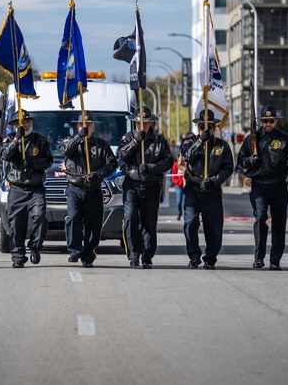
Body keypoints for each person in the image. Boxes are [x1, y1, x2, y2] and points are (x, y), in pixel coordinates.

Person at [237, 105, 288, 271]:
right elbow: (241, 161)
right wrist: (250, 160)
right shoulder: (252, 139)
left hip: (278, 185)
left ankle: (275, 259)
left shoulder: (285, 139)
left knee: (279, 223)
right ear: (261, 121)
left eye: (271, 121)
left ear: (276, 121)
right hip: (259, 185)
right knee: (260, 217)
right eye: (265, 121)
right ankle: (259, 257)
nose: (268, 124)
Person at [118, 106, 173, 268]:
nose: (142, 126)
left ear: (150, 123)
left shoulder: (159, 141)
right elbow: (121, 156)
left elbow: (169, 161)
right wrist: (135, 142)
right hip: (132, 185)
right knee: (130, 217)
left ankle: (147, 255)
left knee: (149, 221)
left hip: (151, 186)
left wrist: (150, 167)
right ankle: (134, 254)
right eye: (138, 123)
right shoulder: (127, 138)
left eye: (145, 123)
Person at [61, 111, 116, 268]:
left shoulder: (101, 145)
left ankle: (88, 255)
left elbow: (111, 163)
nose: (84, 127)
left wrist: (98, 175)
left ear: (93, 126)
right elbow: (66, 151)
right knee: (73, 218)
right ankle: (74, 251)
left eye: (87, 125)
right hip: (75, 188)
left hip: (93, 189)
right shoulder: (71, 142)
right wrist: (79, 137)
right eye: (80, 125)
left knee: (94, 225)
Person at [180, 110, 234, 270]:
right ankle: (194, 256)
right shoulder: (189, 142)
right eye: (202, 127)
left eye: (209, 127)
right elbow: (186, 157)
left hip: (212, 191)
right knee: (190, 223)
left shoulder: (222, 146)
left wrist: (212, 181)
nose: (206, 130)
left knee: (214, 227)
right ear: (198, 127)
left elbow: (228, 168)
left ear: (214, 127)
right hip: (193, 189)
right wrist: (200, 142)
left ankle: (210, 258)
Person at [0, 112, 53, 268]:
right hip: (17, 187)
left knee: (40, 216)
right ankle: (17, 256)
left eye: (28, 121)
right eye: (22, 122)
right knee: (15, 223)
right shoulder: (10, 140)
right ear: (16, 125)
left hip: (35, 187)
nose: (25, 125)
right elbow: (5, 155)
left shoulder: (40, 140)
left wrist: (33, 163)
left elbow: (49, 161)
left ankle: (35, 247)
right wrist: (16, 139)